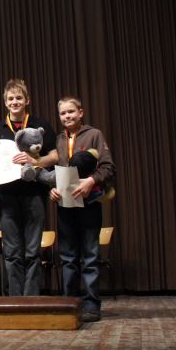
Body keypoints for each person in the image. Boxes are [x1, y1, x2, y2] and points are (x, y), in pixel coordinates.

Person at [0, 79, 58, 296]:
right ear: (5, 102)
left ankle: (32, 299)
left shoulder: (40, 125)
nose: (15, 102)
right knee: (11, 252)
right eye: (11, 99)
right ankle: (15, 300)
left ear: (27, 100)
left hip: (34, 194)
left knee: (32, 251)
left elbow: (55, 156)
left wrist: (34, 161)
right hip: (7, 196)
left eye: (19, 98)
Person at [49, 96, 115, 322]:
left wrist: (91, 181)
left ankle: (91, 304)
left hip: (89, 204)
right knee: (68, 257)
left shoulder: (94, 134)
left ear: (80, 112)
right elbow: (53, 173)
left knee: (90, 256)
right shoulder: (58, 139)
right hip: (65, 206)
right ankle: (69, 303)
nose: (67, 116)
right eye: (63, 113)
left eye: (71, 112)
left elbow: (108, 168)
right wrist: (52, 190)